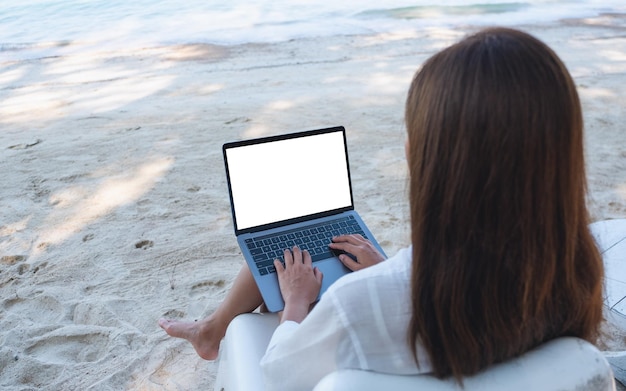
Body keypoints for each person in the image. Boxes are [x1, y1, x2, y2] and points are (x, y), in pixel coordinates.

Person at [160, 27, 604, 389]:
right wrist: (387, 268)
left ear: (418, 155)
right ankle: (210, 329)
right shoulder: (577, 273)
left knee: (252, 321)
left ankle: (217, 330)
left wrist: (296, 302)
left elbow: (280, 371)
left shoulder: (364, 302)